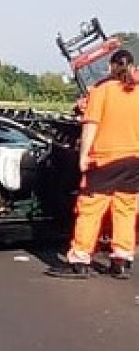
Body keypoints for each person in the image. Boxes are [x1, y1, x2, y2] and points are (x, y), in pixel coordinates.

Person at [46, 49, 139, 280]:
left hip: (104, 159)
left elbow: (91, 125)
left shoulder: (101, 91)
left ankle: (79, 260)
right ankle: (122, 259)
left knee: (90, 210)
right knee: (125, 210)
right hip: (133, 160)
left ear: (110, 67)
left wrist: (83, 155)